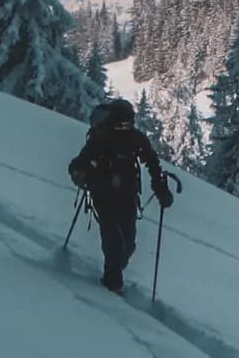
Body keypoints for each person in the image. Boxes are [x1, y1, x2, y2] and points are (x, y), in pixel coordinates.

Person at [68, 97, 173, 292]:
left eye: (128, 123)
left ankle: (115, 272)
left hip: (127, 196)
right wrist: (80, 174)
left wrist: (160, 188)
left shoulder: (135, 138)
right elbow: (78, 162)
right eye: (121, 122)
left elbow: (152, 162)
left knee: (128, 243)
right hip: (103, 194)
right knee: (113, 240)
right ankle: (112, 283)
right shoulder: (102, 137)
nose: (125, 126)